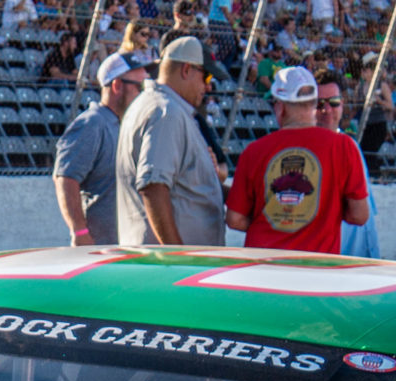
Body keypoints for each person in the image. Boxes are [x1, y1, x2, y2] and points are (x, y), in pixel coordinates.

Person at [226, 64, 365, 254]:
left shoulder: (254, 151)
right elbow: (359, 215)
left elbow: (235, 219)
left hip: (263, 262)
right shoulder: (343, 146)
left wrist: (274, 222)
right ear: (314, 104)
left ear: (280, 106)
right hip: (315, 264)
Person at [116, 33, 219, 245]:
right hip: (168, 261)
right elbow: (154, 187)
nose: (208, 87)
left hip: (163, 258)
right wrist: (176, 254)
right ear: (186, 69)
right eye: (207, 77)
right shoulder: (166, 112)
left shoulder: (158, 106)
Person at [52, 49, 142, 244]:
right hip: (102, 249)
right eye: (139, 87)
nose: (144, 94)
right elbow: (65, 178)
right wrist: (80, 232)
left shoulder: (127, 124)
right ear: (117, 86)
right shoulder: (92, 124)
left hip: (127, 245)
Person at [324, 75, 379, 258]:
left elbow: (366, 212)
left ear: (342, 104)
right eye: (319, 103)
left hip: (360, 248)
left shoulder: (350, 145)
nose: (326, 109)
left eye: (334, 102)